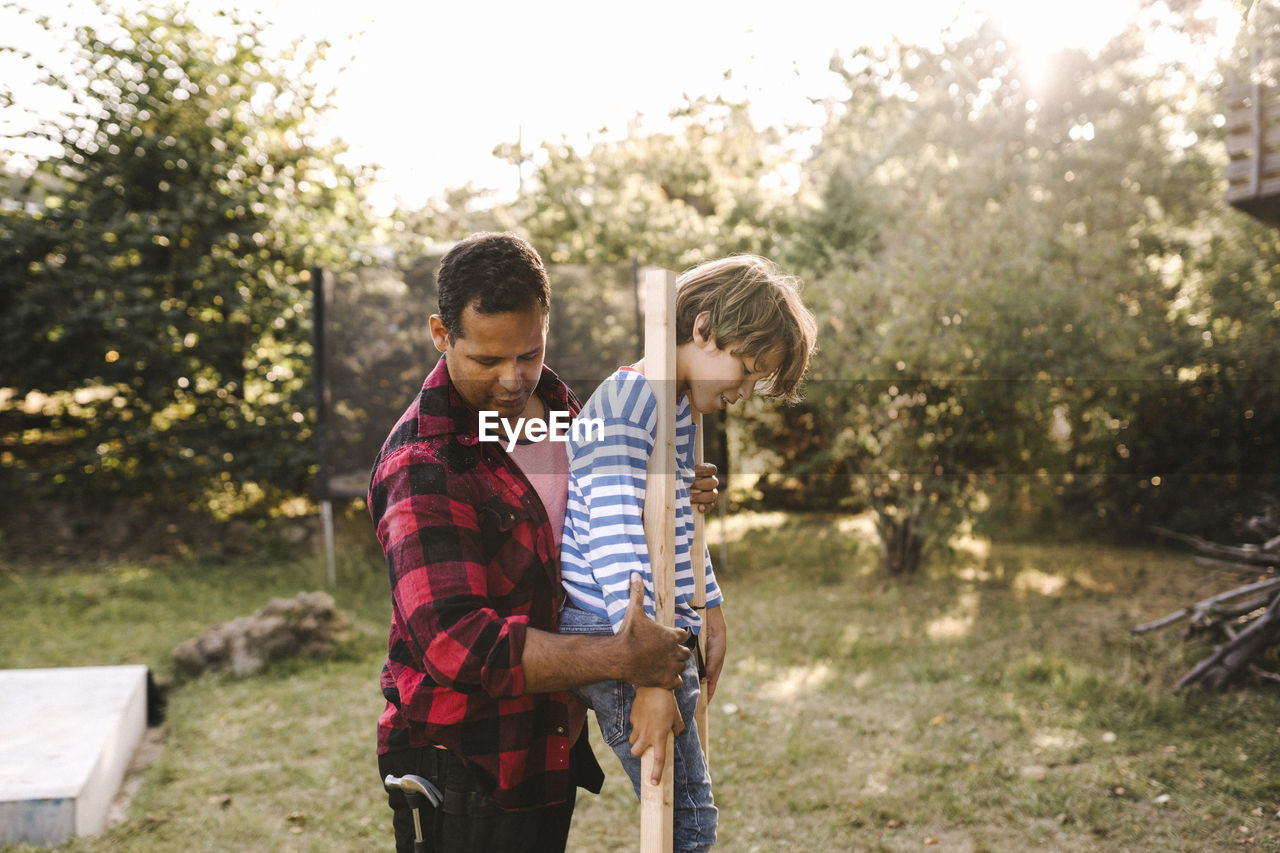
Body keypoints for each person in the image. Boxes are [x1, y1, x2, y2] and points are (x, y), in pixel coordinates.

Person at [368, 232, 720, 853]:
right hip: (464, 752)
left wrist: (663, 488)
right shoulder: (424, 461)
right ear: (441, 334)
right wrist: (620, 658)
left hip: (545, 737)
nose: (512, 379)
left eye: (529, 353)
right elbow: (457, 643)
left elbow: (593, 512)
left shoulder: (559, 408)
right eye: (487, 361)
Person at [558, 254, 818, 853]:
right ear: (702, 329)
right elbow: (618, 543)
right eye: (747, 369)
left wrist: (710, 606)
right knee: (686, 820)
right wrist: (649, 673)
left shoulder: (673, 406)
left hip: (653, 633)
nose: (747, 391)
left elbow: (670, 531)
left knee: (686, 810)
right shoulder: (631, 404)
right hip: (620, 630)